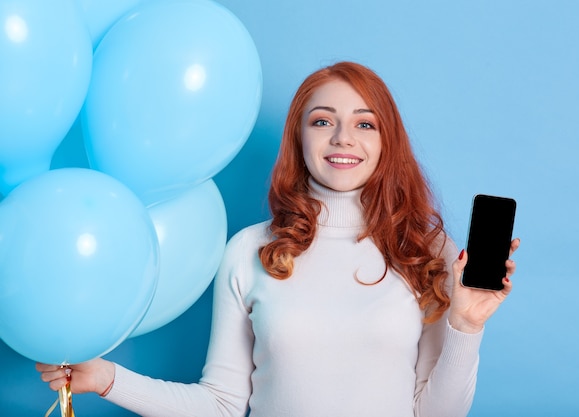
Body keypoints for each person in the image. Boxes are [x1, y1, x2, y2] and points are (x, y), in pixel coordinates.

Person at [37, 61, 521, 417]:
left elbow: (438, 414)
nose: (342, 138)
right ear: (299, 138)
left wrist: (466, 325)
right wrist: (107, 379)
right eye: (323, 120)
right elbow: (222, 404)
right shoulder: (250, 251)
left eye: (365, 123)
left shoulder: (426, 251)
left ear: (386, 142)